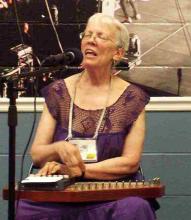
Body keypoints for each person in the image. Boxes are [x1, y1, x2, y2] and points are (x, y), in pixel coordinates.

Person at [16, 13, 158, 220]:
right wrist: (58, 149)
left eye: (100, 36)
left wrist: (78, 170)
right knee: (26, 209)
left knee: (134, 208)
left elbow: (130, 162)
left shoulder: (132, 98)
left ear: (117, 53)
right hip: (61, 193)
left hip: (111, 194)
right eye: (87, 34)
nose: (90, 40)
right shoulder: (58, 91)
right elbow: (38, 153)